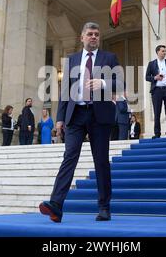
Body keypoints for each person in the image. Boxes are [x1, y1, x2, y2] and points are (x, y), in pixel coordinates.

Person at [39, 22, 122, 223]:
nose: (93, 37)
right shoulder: (71, 60)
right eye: (90, 34)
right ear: (82, 38)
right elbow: (65, 91)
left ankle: (104, 207)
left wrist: (102, 83)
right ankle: (56, 205)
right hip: (75, 115)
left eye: (96, 34)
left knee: (101, 161)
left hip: (99, 114)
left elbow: (120, 83)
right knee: (69, 157)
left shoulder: (109, 58)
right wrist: (59, 118)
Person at [145, 44, 166, 138]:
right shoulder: (152, 64)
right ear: (157, 52)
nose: (164, 52)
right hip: (157, 91)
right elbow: (146, 77)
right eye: (163, 51)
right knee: (157, 112)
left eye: (165, 51)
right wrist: (155, 77)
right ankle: (157, 134)